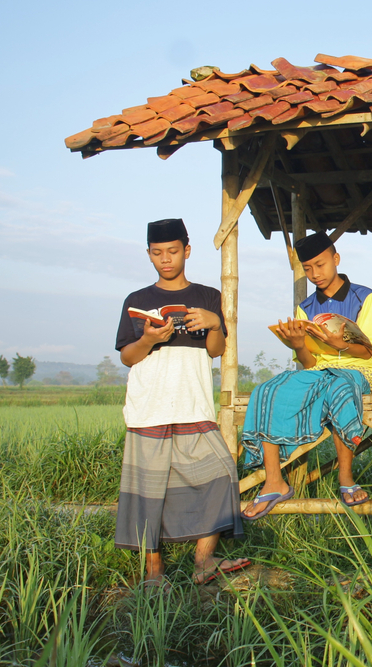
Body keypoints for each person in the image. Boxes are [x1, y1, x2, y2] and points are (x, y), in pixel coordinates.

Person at [114, 218, 247, 587]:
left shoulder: (206, 296)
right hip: (148, 405)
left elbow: (217, 350)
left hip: (194, 402)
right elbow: (127, 357)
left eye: (172, 251)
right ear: (148, 255)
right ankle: (154, 571)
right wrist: (150, 338)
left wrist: (215, 324)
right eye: (157, 253)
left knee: (221, 474)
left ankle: (204, 560)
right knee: (148, 492)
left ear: (187, 250)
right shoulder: (136, 301)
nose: (165, 259)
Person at [239, 232, 372, 518]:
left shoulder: (364, 296)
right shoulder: (304, 308)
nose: (315, 274)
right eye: (308, 268)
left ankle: (346, 478)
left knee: (339, 388)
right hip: (317, 371)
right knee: (267, 390)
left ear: (336, 259)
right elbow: (308, 362)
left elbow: (367, 353)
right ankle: (274, 480)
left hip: (356, 371)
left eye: (321, 264)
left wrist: (338, 344)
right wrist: (299, 344)